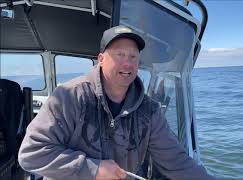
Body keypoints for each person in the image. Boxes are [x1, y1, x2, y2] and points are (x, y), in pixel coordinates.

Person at [18, 25, 215, 180]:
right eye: (119, 55)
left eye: (133, 57)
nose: (127, 63)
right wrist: (93, 169)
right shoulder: (68, 97)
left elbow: (177, 162)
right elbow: (31, 153)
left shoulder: (150, 111)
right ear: (101, 59)